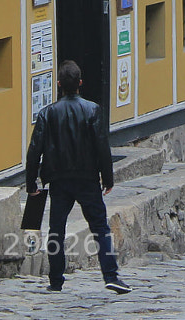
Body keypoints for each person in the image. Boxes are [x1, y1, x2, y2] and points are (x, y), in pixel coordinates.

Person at [25, 60, 129, 295]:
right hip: (87, 179)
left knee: (56, 230)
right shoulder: (92, 110)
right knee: (100, 228)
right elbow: (102, 146)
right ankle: (111, 276)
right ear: (80, 83)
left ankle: (55, 279)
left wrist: (31, 182)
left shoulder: (47, 114)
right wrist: (108, 177)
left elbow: (34, 151)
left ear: (59, 84)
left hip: (59, 180)